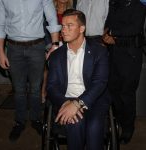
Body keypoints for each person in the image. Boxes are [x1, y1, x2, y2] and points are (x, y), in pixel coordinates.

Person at [0, 0, 61, 142]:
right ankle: (20, 121)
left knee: (36, 88)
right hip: (13, 48)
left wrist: (55, 45)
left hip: (37, 47)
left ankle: (35, 119)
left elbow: (51, 17)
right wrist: (0, 52)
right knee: (18, 90)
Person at [47, 9, 109, 150]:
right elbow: (51, 87)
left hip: (93, 100)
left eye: (70, 26)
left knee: (94, 128)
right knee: (75, 123)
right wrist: (66, 103)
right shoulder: (56, 55)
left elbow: (99, 83)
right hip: (66, 100)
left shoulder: (99, 52)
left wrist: (78, 103)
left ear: (82, 28)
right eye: (62, 26)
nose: (64, 30)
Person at [103, 0, 146, 144]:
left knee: (126, 93)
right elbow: (108, 23)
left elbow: (134, 29)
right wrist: (106, 33)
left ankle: (128, 128)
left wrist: (113, 34)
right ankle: (119, 121)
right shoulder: (114, 4)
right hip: (114, 54)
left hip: (130, 56)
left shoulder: (138, 6)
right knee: (113, 90)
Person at [41, 0, 73, 104]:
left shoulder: (72, 11)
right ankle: (44, 91)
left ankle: (64, 92)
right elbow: (45, 30)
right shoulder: (49, 10)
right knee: (47, 68)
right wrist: (49, 46)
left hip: (67, 43)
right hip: (51, 43)